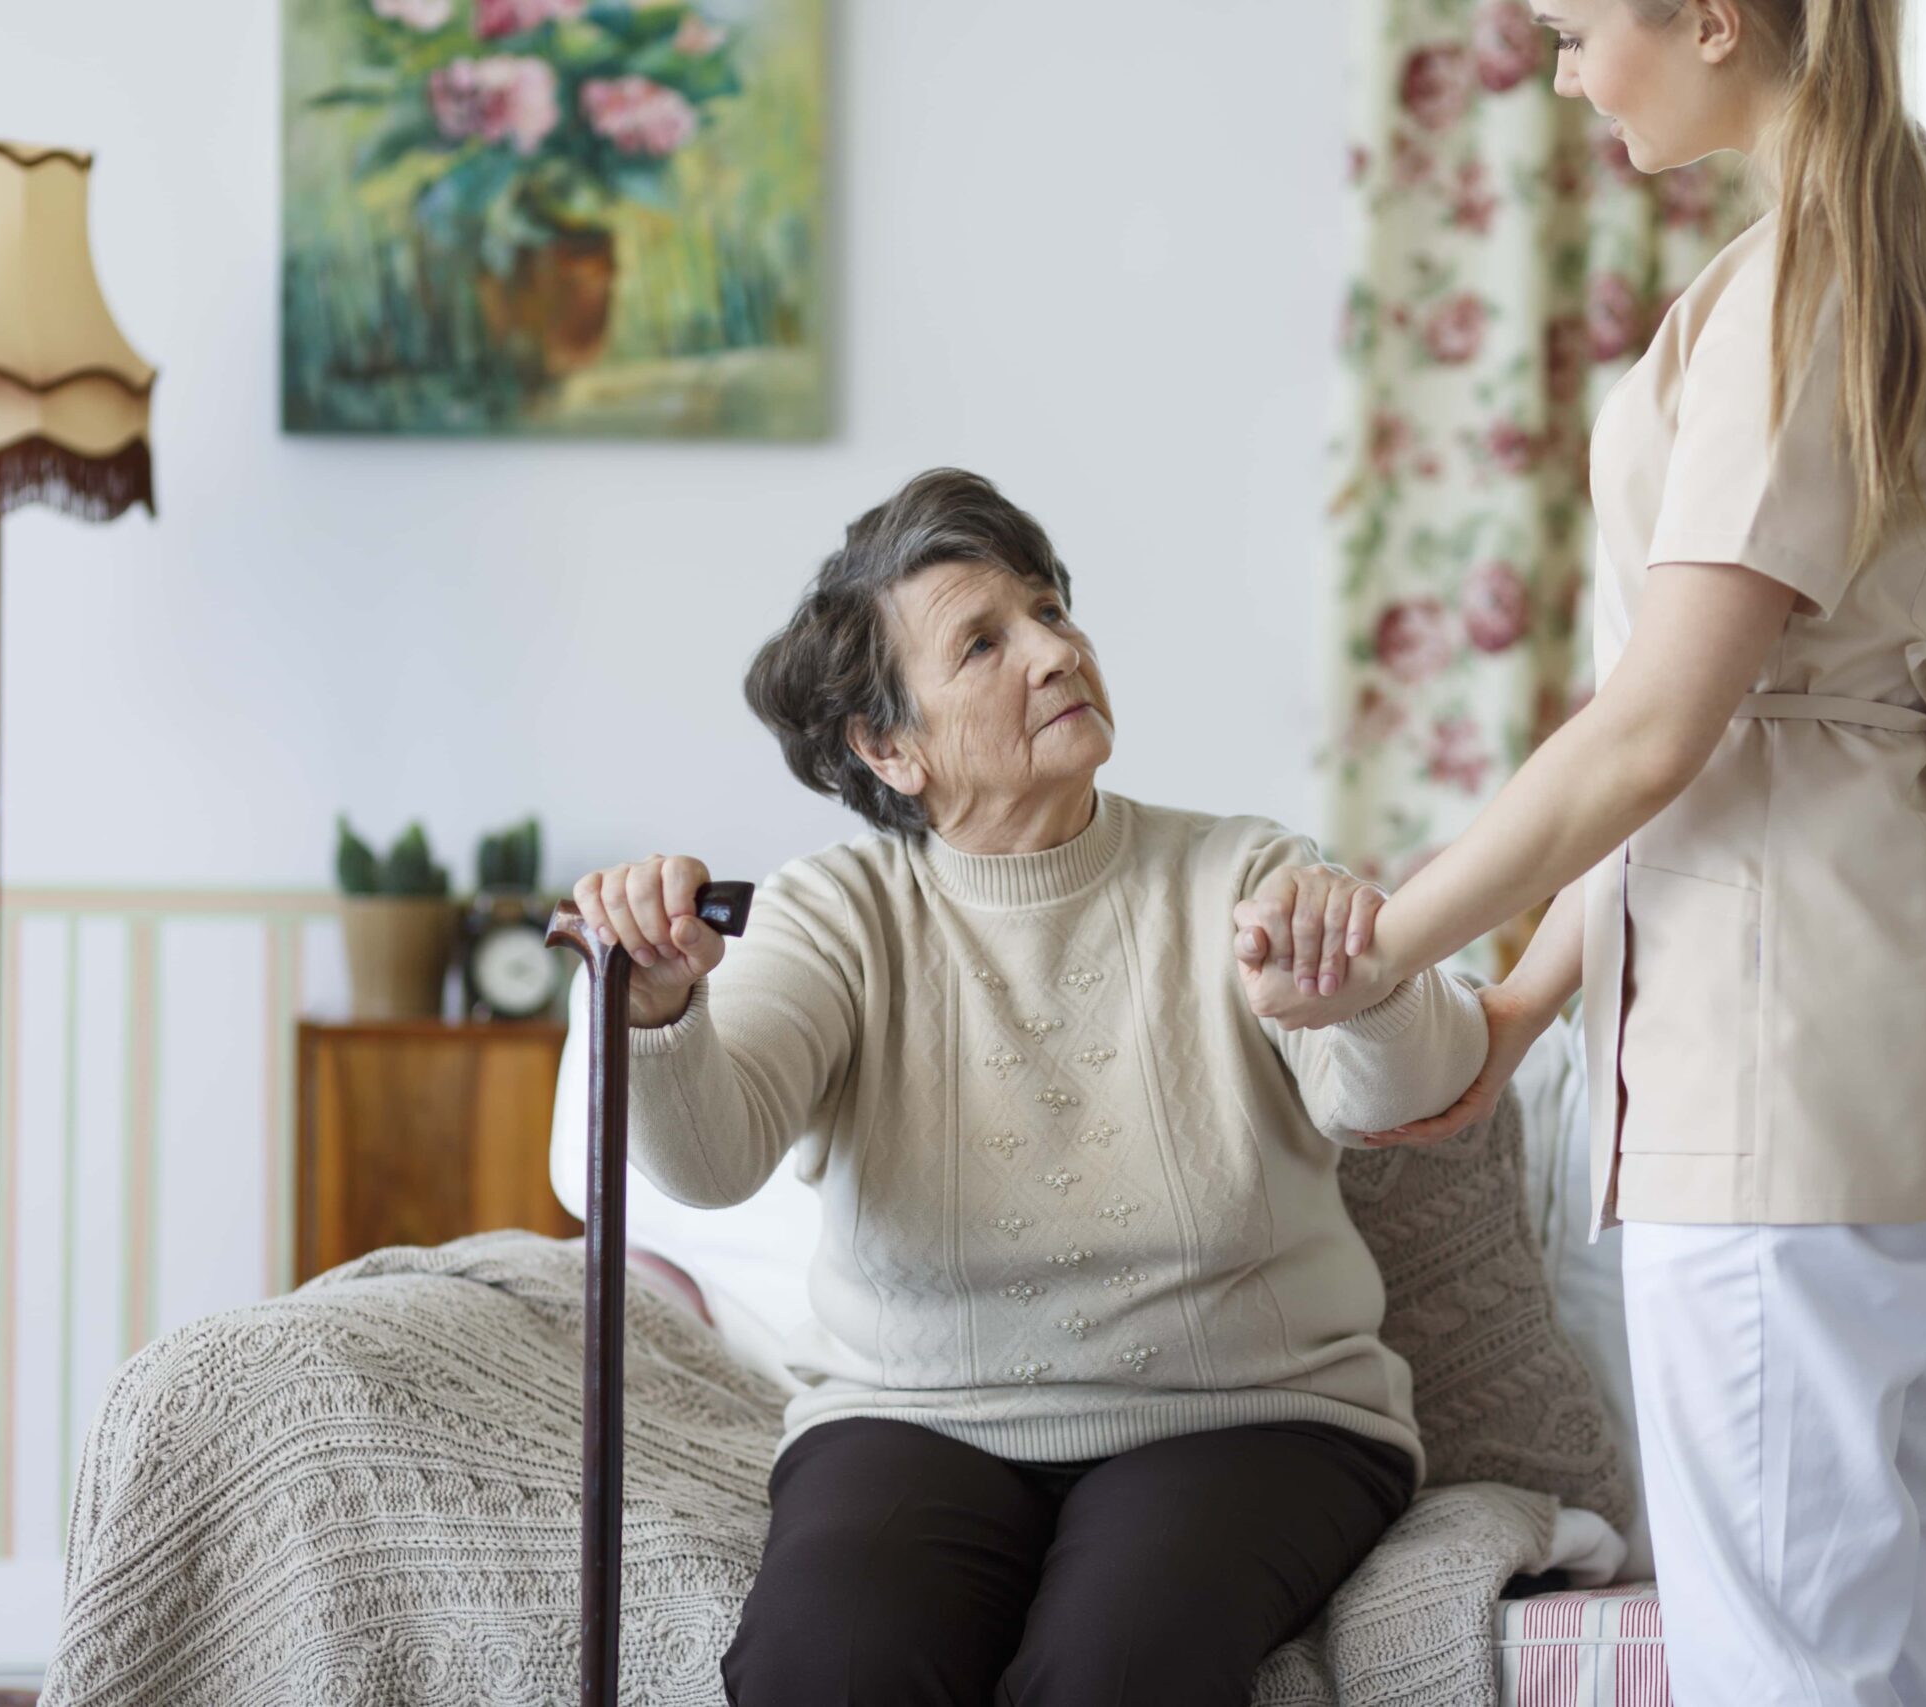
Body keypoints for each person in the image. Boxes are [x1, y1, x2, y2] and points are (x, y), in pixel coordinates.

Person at [1235, 3, 1926, 1699]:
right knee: (1874, 1633)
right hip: (1889, 1036)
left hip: (1781, 1064)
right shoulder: (1898, 216)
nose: (1564, 73)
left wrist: (1387, 943)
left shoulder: (1801, 278)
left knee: (1789, 1663)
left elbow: (1656, 727)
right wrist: (1524, 1004)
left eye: (1578, 29)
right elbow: (1723, 722)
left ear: (1709, 18)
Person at [568, 467, 1485, 1707]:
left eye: (1051, 612)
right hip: (917, 1419)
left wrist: (1361, 981)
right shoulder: (837, 913)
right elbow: (713, 1162)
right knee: (821, 1672)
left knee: (1112, 1677)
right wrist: (660, 1008)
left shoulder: (1240, 872)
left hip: (1247, 1415)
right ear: (889, 745)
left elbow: (1405, 1093)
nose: (1054, 652)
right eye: (985, 642)